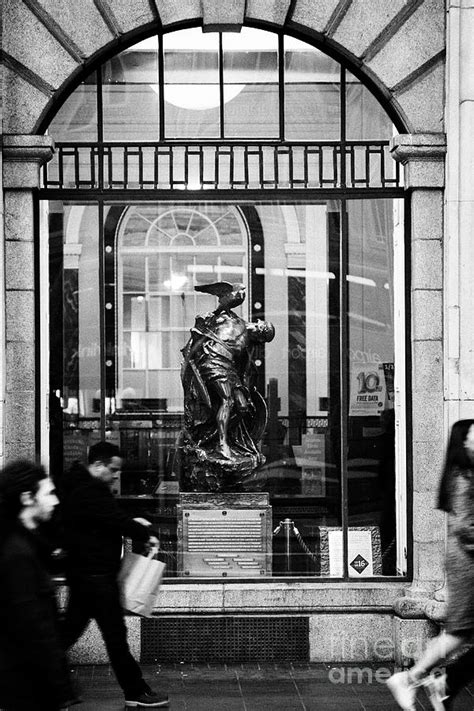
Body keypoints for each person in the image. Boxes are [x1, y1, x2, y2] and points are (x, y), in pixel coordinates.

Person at [59, 441, 168, 708]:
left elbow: (107, 517)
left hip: (85, 575)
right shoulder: (90, 489)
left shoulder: (77, 484)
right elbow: (113, 518)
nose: (116, 475)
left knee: (67, 633)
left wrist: (134, 522)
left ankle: (25, 672)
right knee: (115, 638)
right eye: (113, 469)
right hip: (96, 577)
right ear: (98, 465)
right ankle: (135, 691)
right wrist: (145, 533)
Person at [386, 419, 474, 710]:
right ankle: (412, 679)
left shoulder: (466, 473)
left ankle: (440, 683)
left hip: (465, 560)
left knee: (460, 632)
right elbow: (466, 527)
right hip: (467, 563)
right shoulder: (463, 476)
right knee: (458, 632)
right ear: (463, 442)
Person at [0, 460, 78, 711]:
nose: (55, 501)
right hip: (27, 689)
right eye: (49, 493)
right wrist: (60, 687)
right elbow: (35, 628)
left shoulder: (29, 542)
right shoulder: (17, 553)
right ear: (27, 498)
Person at [182, 281, 275, 461]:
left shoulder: (249, 344)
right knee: (227, 400)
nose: (259, 333)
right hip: (213, 361)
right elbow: (206, 324)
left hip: (229, 370)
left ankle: (214, 436)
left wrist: (244, 387)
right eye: (262, 329)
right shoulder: (231, 319)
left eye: (263, 335)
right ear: (257, 324)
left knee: (242, 407)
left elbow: (245, 370)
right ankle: (222, 445)